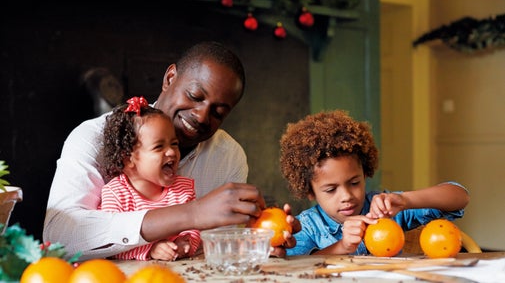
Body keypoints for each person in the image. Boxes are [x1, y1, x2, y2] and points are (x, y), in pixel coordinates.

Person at [43, 41, 299, 260]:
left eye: (218, 112)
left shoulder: (228, 156)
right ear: (169, 79)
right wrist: (191, 213)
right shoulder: (93, 139)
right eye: (195, 96)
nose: (201, 116)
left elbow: (216, 247)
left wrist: (258, 239)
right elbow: (59, 237)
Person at [279, 110, 469, 256]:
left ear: (365, 173)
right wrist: (342, 247)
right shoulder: (308, 226)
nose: (346, 196)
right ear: (309, 191)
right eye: (330, 189)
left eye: (354, 183)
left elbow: (460, 196)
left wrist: (405, 200)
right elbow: (295, 266)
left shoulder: (386, 210)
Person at [99, 96, 199, 261]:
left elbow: (194, 228)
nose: (172, 152)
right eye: (159, 146)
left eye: (174, 144)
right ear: (128, 158)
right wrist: (150, 250)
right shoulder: (115, 194)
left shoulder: (183, 189)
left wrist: (186, 243)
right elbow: (109, 245)